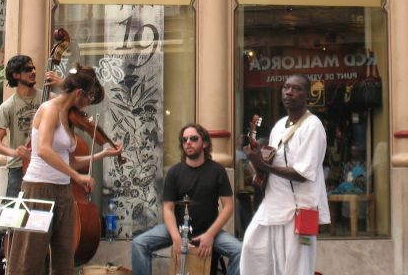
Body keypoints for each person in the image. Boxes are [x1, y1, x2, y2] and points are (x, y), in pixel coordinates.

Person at [6, 63, 122, 275]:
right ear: (79, 93)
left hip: (63, 192)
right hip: (38, 190)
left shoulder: (68, 116)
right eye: (88, 99)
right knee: (29, 257)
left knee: (64, 257)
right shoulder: (49, 109)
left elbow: (68, 160)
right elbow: (43, 150)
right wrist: (77, 177)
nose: (87, 106)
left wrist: (101, 154)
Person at [240, 74, 330, 275]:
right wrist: (255, 165)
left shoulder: (313, 126)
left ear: (307, 95)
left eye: (296, 88)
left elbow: (302, 173)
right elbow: (270, 161)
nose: (289, 92)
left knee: (295, 268)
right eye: (286, 87)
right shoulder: (279, 126)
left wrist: (263, 165)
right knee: (252, 250)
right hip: (273, 206)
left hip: (301, 210)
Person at [132, 123, 242, 275]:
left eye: (193, 138)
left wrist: (210, 235)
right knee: (139, 243)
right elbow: (168, 209)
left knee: (240, 251)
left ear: (205, 143)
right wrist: (176, 237)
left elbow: (228, 206)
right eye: (184, 140)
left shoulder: (217, 170)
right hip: (177, 229)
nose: (188, 142)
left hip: (208, 231)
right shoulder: (174, 172)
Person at [0, 55, 62, 197]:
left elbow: (73, 100)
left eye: (34, 68)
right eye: (28, 69)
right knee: (13, 213)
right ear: (16, 75)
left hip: (45, 164)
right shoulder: (7, 106)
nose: (33, 72)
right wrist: (15, 152)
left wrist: (62, 83)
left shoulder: (49, 98)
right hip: (18, 167)